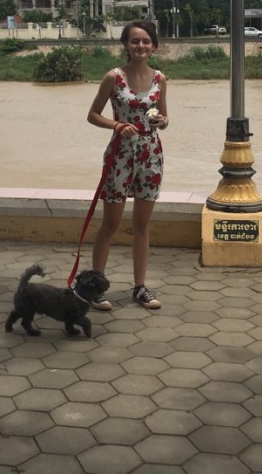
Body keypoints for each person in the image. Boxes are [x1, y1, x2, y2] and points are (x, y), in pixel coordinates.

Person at [86, 20, 169, 310]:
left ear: (154, 45)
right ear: (125, 45)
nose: (140, 46)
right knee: (110, 224)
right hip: (120, 155)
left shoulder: (160, 79)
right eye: (135, 41)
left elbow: (165, 119)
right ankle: (95, 287)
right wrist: (118, 125)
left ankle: (140, 287)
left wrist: (162, 121)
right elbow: (93, 115)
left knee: (141, 225)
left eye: (146, 41)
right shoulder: (114, 77)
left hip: (151, 154)